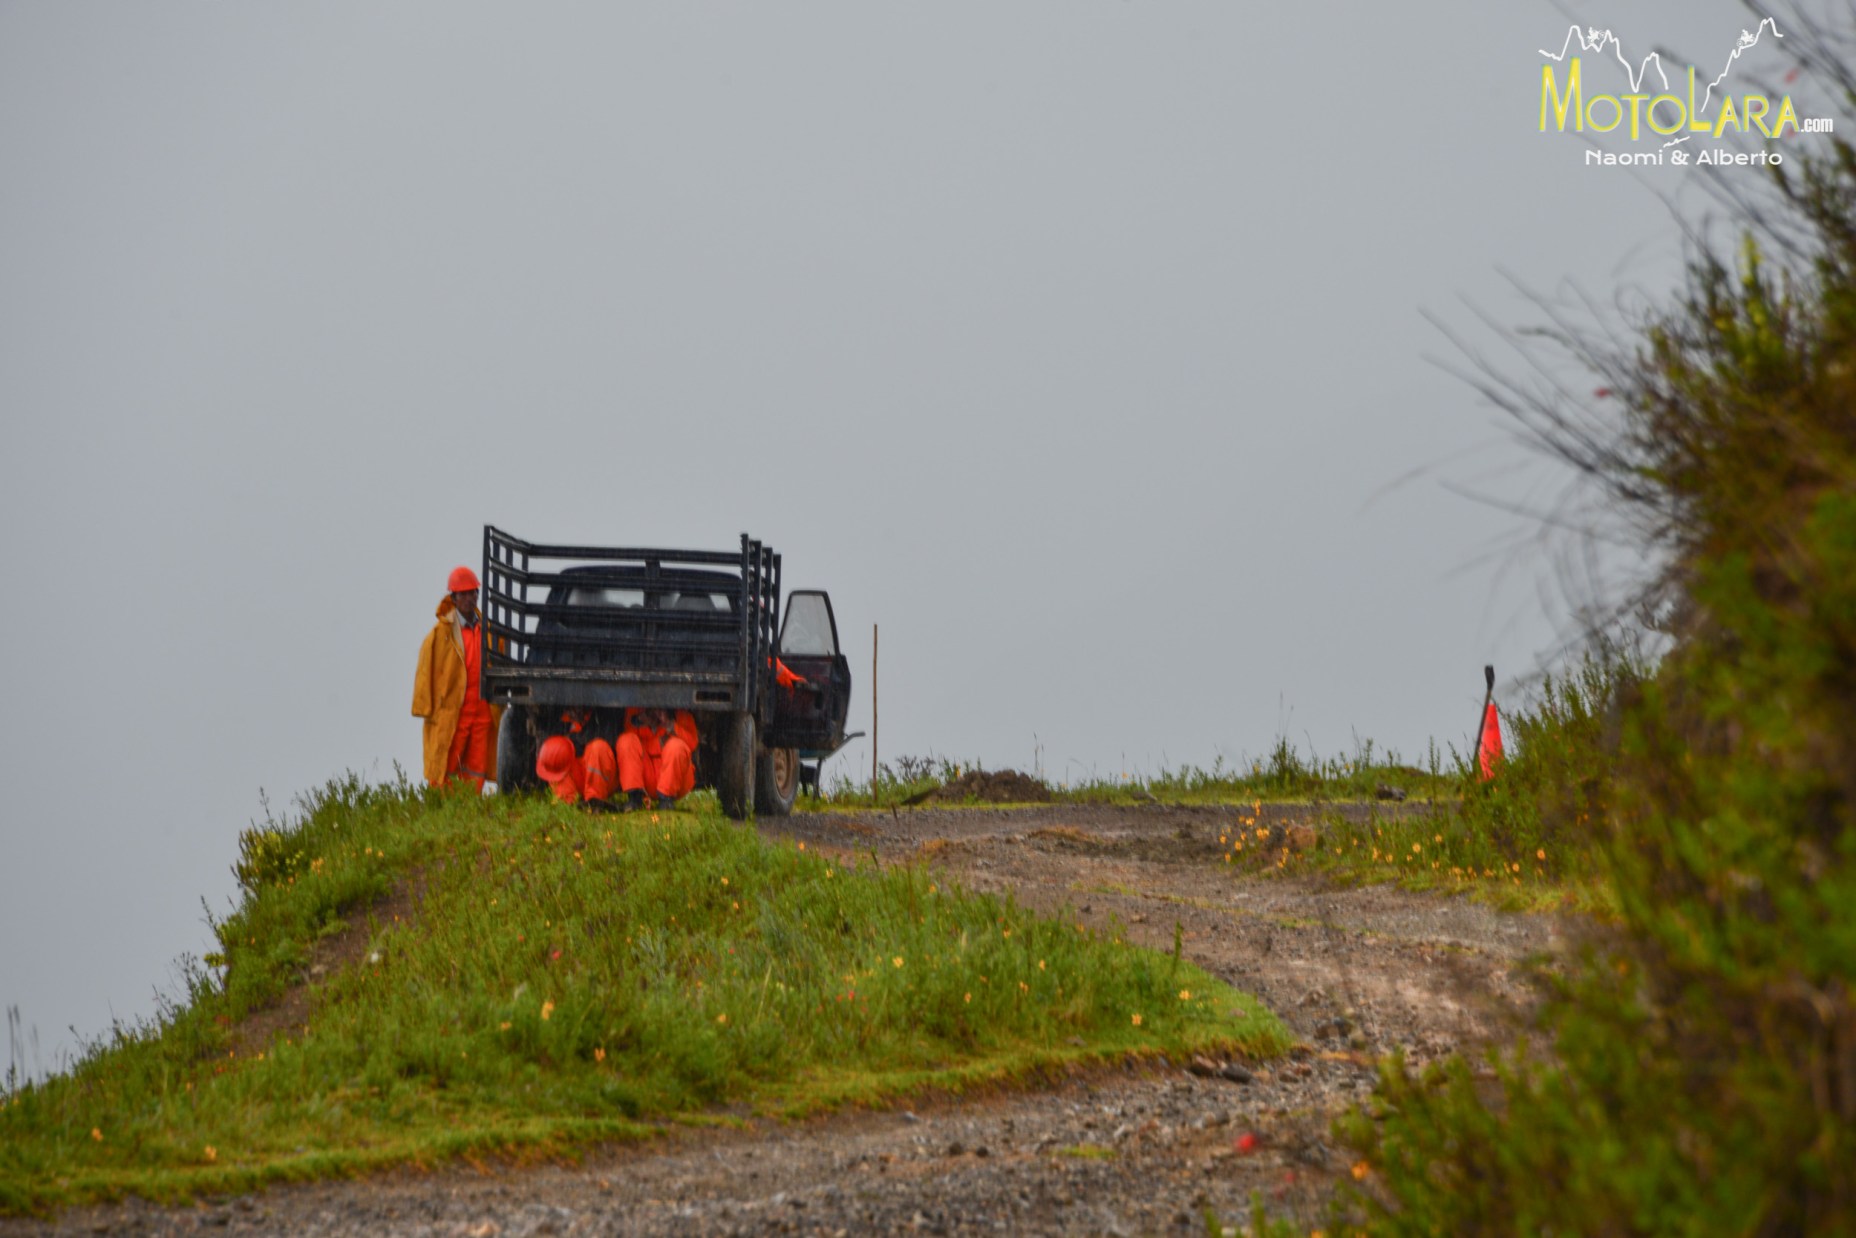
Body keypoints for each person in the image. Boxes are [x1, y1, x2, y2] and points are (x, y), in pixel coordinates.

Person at [411, 565, 501, 791]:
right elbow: (425, 671)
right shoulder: (439, 635)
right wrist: (425, 709)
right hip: (453, 713)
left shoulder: (490, 632)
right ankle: (441, 810)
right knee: (447, 763)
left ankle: (470, 808)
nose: (471, 598)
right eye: (465, 594)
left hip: (482, 712)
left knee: (477, 766)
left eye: (474, 593)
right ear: (453, 597)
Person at [616, 707, 698, 809]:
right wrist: (644, 723)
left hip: (675, 781)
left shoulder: (680, 711)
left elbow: (692, 743)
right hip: (645, 776)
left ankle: (666, 801)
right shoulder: (634, 711)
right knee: (626, 741)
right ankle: (634, 798)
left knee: (676, 746)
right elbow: (630, 746)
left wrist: (670, 725)